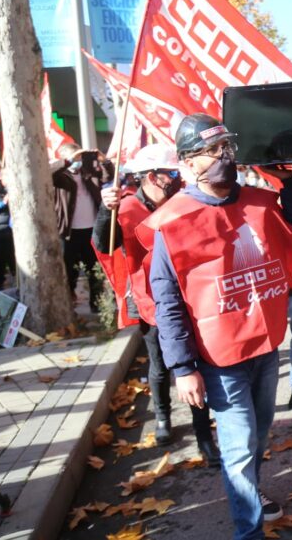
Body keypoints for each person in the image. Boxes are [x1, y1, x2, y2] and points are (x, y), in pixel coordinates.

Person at [138, 114, 292, 540]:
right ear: (187, 163)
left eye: (227, 147)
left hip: (266, 346)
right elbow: (167, 301)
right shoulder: (172, 222)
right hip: (221, 360)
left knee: (258, 436)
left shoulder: (261, 202)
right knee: (237, 449)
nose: (224, 157)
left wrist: (288, 185)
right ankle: (248, 531)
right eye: (211, 151)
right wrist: (182, 368)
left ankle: (251, 496)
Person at [92, 144, 220, 464]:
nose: (178, 179)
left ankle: (204, 434)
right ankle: (163, 418)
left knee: (192, 364)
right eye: (172, 174)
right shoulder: (125, 208)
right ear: (152, 177)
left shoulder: (184, 200)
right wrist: (104, 210)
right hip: (148, 299)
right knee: (160, 365)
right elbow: (102, 242)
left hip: (187, 296)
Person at [53, 143, 113, 312]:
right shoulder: (60, 176)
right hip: (69, 232)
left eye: (80, 157)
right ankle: (69, 303)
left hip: (91, 229)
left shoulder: (89, 173)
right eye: (75, 157)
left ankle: (96, 304)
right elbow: (49, 172)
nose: (79, 161)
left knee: (94, 270)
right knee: (69, 271)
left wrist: (105, 160)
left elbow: (109, 178)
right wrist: (68, 161)